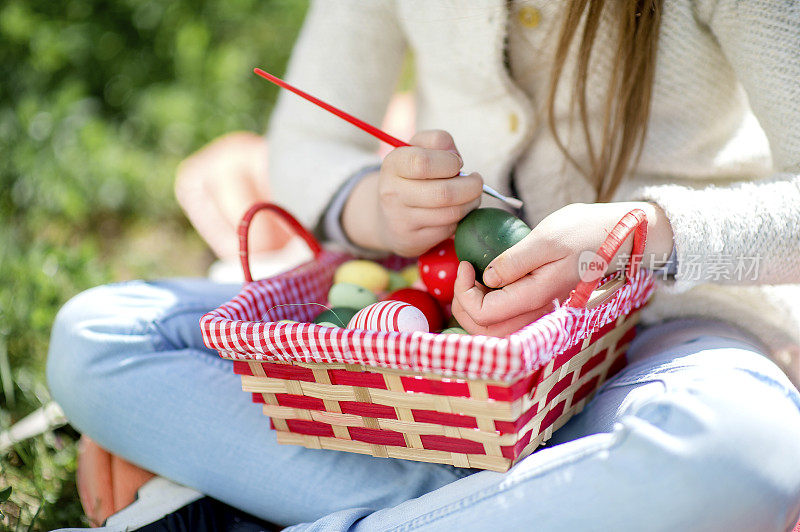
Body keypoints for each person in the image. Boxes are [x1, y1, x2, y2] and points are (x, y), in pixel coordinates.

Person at [47, 1, 800, 530]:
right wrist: (375, 209)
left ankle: (301, 500)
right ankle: (504, 500)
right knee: (96, 337)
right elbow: (304, 145)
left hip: (658, 336)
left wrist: (644, 235)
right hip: (432, 356)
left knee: (746, 453)